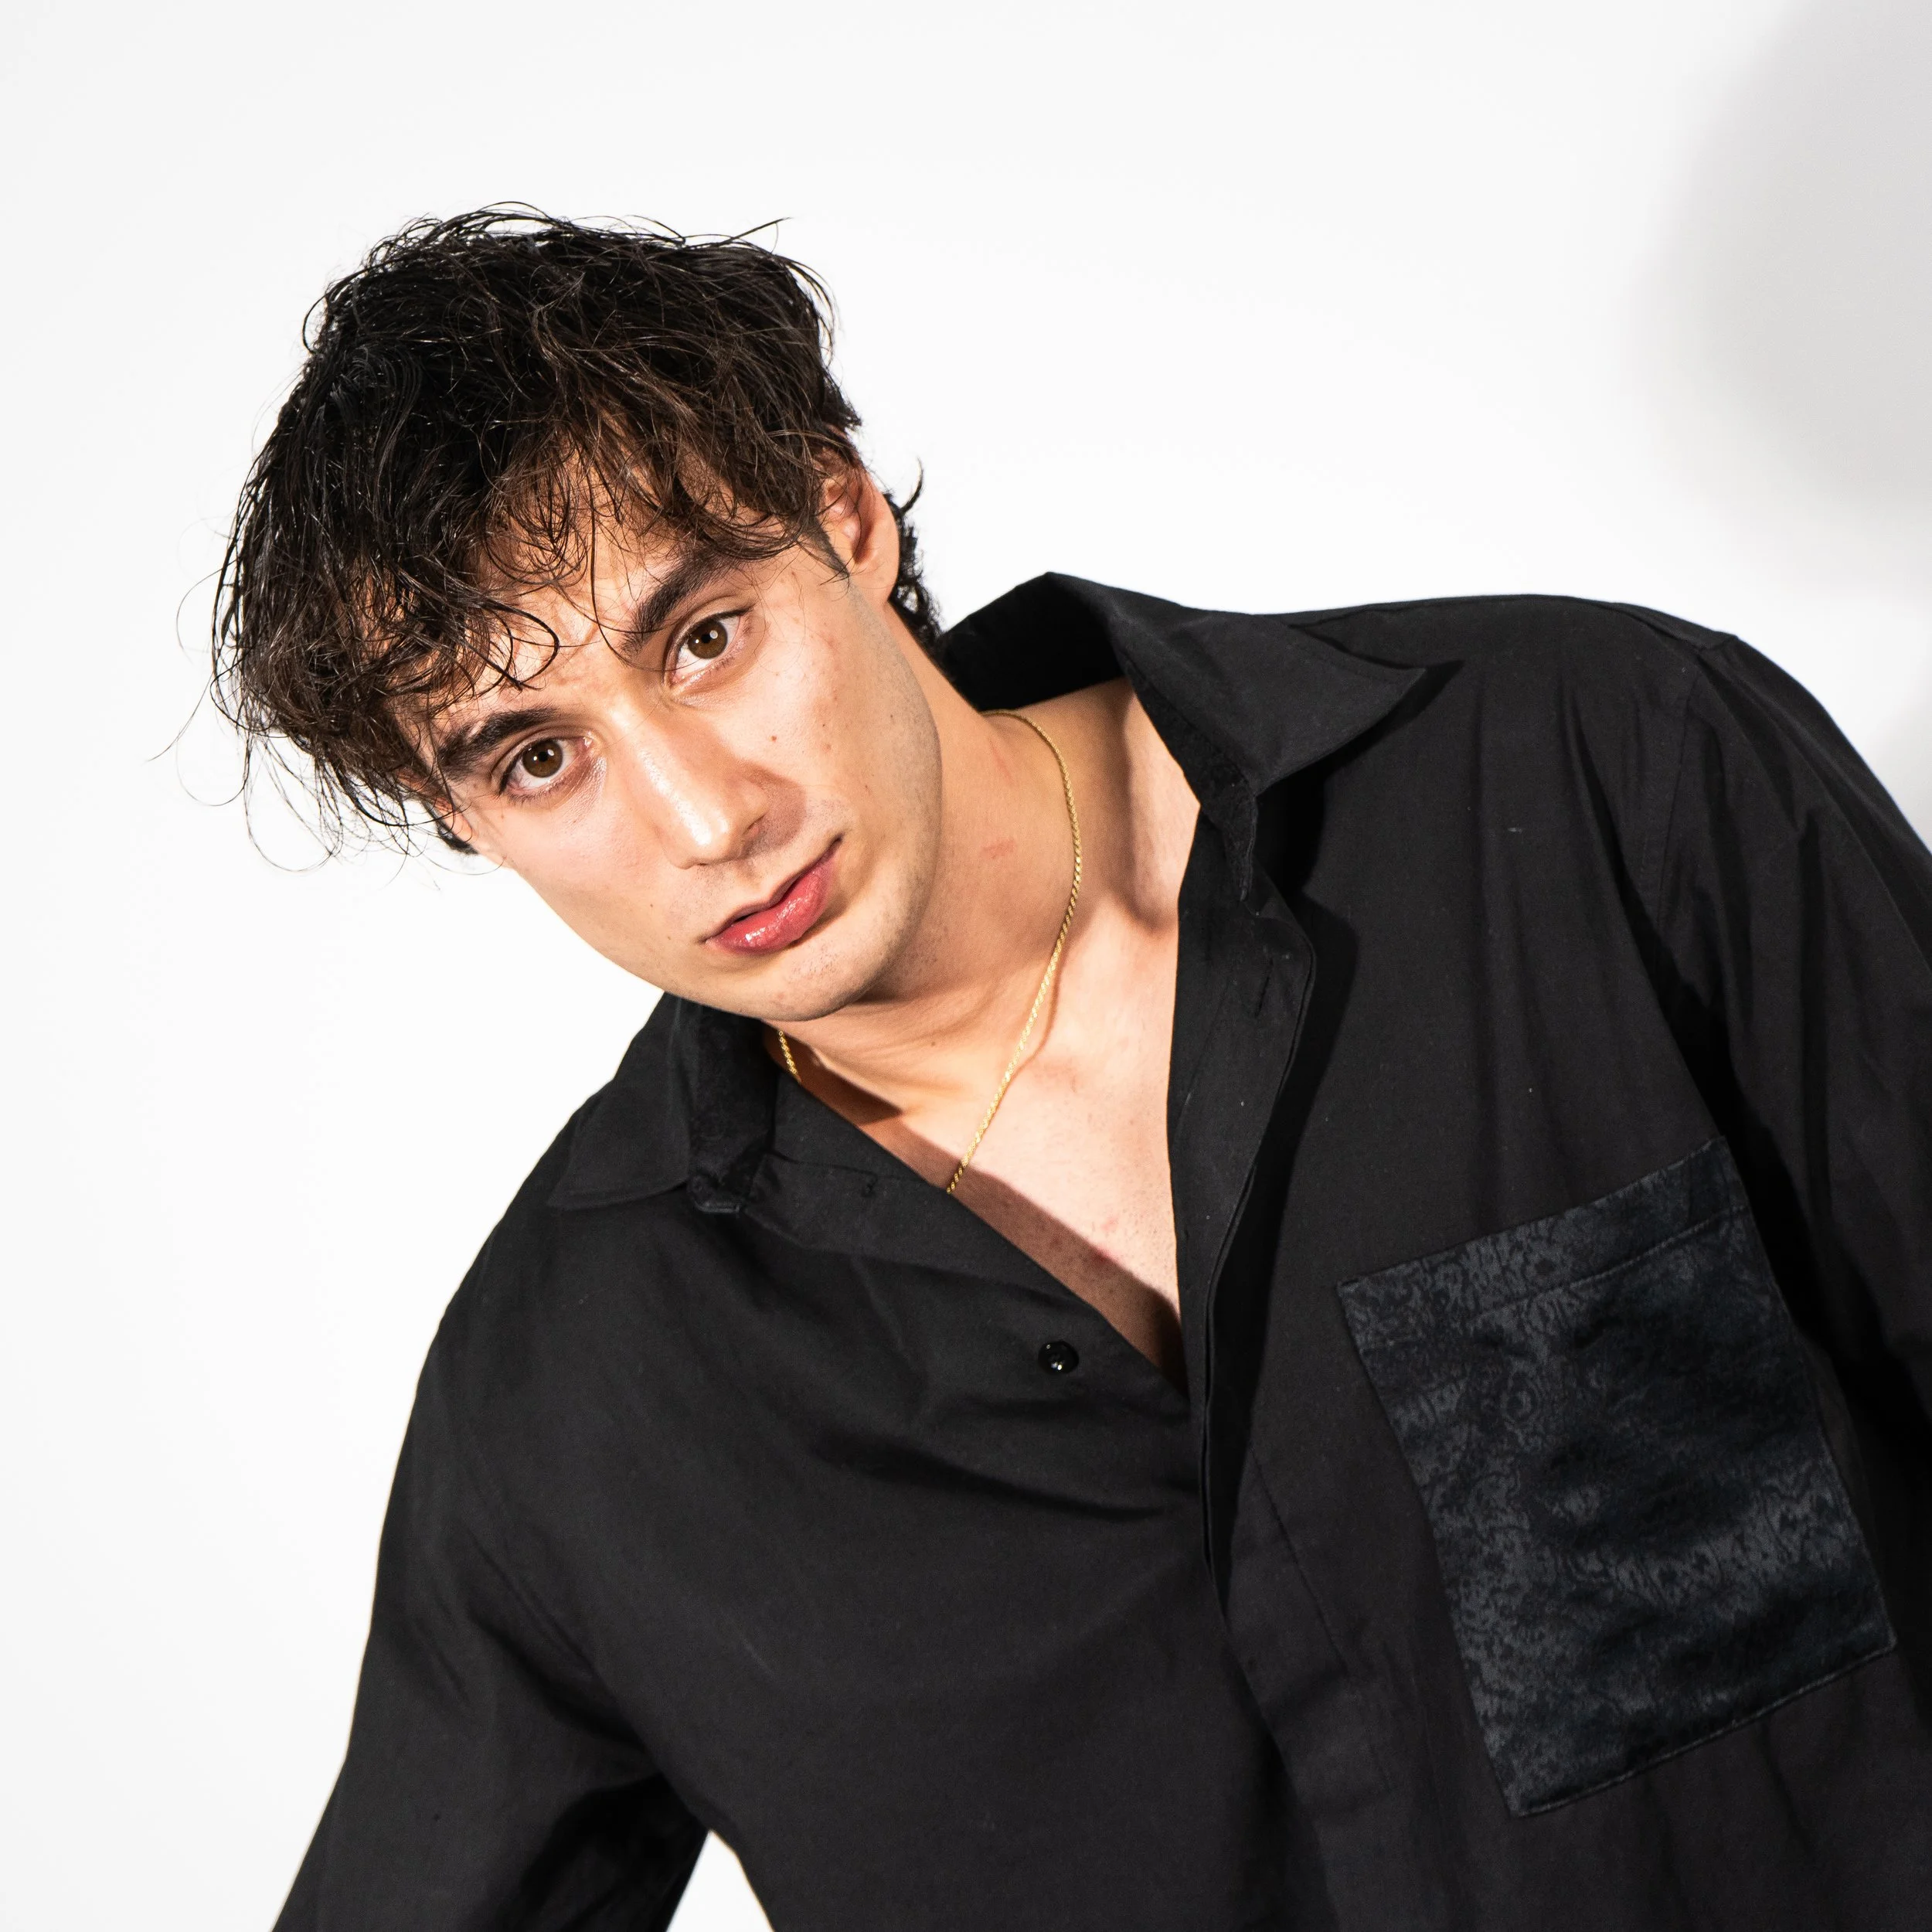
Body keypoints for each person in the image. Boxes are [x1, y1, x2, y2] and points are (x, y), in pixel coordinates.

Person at [216, 210, 1932, 1932]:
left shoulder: (1591, 774)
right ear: (464, 819)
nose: (702, 817)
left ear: (840, 514)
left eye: (705, 636)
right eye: (536, 756)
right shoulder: (573, 1398)